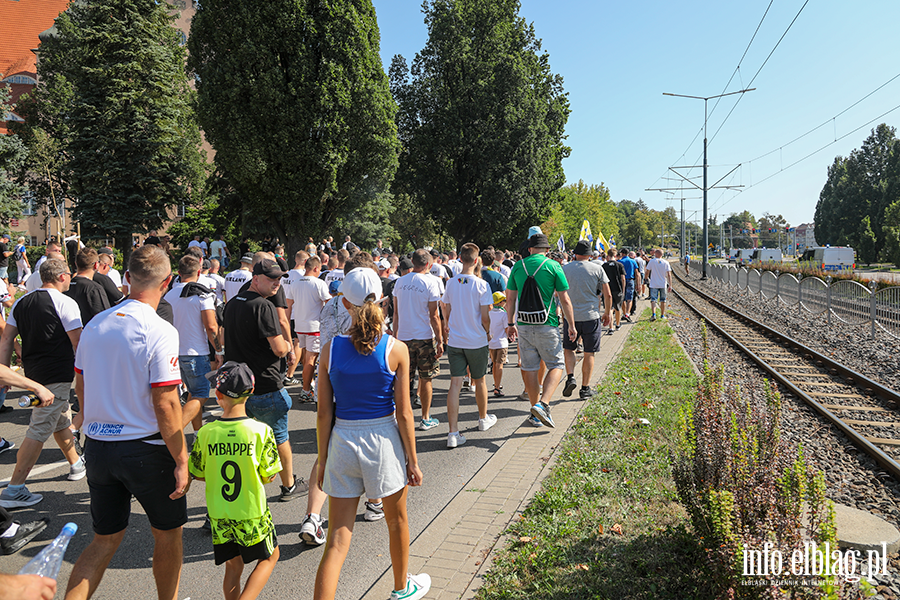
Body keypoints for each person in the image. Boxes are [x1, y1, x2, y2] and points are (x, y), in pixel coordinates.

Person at [65, 245, 189, 600]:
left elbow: (82, 384)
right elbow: (165, 403)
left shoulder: (95, 326)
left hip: (100, 447)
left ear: (126, 279)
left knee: (103, 540)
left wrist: (91, 421)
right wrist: (181, 459)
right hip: (146, 449)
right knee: (167, 534)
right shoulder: (160, 329)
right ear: (168, 282)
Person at [313, 268, 430, 600]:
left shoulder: (330, 350)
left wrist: (323, 460)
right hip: (383, 441)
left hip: (343, 441)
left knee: (337, 538)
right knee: (396, 522)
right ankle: (401, 588)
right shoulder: (395, 349)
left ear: (344, 303)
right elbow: (405, 413)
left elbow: (324, 412)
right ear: (382, 299)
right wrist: (413, 460)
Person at [189, 362, 281, 600]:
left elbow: (197, 471)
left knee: (233, 565)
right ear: (251, 392)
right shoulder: (261, 431)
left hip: (219, 512)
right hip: (251, 511)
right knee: (270, 557)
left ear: (217, 395)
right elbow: (268, 475)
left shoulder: (206, 433)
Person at [0, 259, 85, 509]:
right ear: (60, 277)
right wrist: (86, 377)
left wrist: (5, 373)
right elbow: (78, 344)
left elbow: (7, 339)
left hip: (33, 373)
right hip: (56, 375)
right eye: (68, 275)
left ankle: (76, 464)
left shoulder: (22, 302)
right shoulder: (65, 302)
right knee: (39, 428)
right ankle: (15, 488)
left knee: (60, 419)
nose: (70, 278)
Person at [223, 258, 302, 502]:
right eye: (271, 279)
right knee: (279, 437)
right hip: (265, 385)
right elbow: (278, 348)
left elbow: (223, 337)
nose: (277, 283)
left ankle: (237, 489)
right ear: (255, 278)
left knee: (243, 441)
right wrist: (289, 345)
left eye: (279, 278)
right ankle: (288, 485)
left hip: (237, 386)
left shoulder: (233, 302)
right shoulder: (262, 306)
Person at [504, 234, 577, 428]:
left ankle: (535, 414)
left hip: (524, 325)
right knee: (556, 364)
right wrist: (571, 325)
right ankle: (543, 404)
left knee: (529, 368)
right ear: (546, 250)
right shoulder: (553, 266)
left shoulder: (518, 266)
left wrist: (510, 323)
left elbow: (509, 299)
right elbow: (565, 299)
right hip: (547, 323)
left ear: (529, 249)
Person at [441, 243, 495, 448]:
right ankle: (482, 419)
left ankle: (453, 432)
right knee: (479, 380)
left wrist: (447, 323)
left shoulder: (451, 283)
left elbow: (445, 305)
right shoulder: (482, 285)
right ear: (476, 260)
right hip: (476, 340)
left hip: (455, 339)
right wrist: (488, 332)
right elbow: (485, 317)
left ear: (461, 259)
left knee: (455, 384)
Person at [165, 255, 222, 432]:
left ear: (178, 273)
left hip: (172, 352)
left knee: (191, 394)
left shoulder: (168, 294)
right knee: (200, 394)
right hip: (195, 353)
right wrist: (219, 351)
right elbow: (211, 327)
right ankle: (172, 433)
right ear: (199, 271)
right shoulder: (202, 295)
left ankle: (197, 432)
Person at [392, 249, 444, 430]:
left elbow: (396, 313)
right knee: (426, 377)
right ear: (429, 264)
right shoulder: (431, 282)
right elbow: (434, 315)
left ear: (412, 261)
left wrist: (395, 335)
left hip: (404, 338)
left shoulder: (399, 282)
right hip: (423, 337)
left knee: (404, 379)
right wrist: (440, 339)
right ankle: (425, 417)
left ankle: (402, 417)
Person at [561, 240, 612, 400]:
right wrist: (608, 313)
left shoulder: (565, 268)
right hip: (591, 316)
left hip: (570, 317)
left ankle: (570, 377)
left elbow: (559, 293)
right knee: (590, 352)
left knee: (569, 349)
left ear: (575, 254)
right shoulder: (598, 268)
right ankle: (585, 389)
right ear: (590, 255)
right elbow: (608, 294)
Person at [285, 256, 329, 403]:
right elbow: (329, 304)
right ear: (316, 268)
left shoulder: (295, 283)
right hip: (314, 326)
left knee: (305, 357)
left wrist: (286, 323)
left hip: (299, 325)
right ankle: (305, 391)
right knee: (311, 359)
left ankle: (308, 385)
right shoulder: (319, 283)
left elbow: (288, 305)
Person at [64, 248, 110, 325]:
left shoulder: (65, 286)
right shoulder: (94, 288)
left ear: (76, 263)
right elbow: (104, 318)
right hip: (89, 334)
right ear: (96, 265)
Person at [601, 248, 626, 333]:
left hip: (607, 289)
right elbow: (623, 278)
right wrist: (623, 290)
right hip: (618, 289)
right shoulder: (620, 265)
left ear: (607, 256)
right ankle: (618, 324)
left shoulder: (604, 266)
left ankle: (611, 327)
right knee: (617, 307)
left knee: (610, 308)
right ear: (615, 255)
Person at [646, 248, 673, 321]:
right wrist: (670, 285)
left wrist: (645, 278)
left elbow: (647, 271)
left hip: (653, 284)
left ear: (656, 254)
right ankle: (662, 315)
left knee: (653, 300)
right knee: (663, 300)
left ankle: (654, 314)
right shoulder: (666, 262)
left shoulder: (652, 261)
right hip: (663, 284)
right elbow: (669, 275)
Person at [617, 249, 638, 322]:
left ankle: (624, 312)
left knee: (623, 297)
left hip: (621, 281)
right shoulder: (633, 261)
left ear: (622, 253)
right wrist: (638, 284)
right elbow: (637, 273)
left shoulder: (619, 262)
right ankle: (627, 314)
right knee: (630, 298)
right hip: (630, 280)